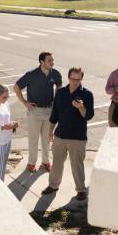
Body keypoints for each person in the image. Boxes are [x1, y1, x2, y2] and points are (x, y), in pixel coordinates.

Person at [42, 67, 94, 201]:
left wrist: (81, 107)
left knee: (77, 165)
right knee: (57, 163)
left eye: (78, 79)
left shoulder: (87, 94)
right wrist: (50, 131)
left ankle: (81, 190)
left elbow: (88, 116)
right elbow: (55, 114)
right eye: (72, 79)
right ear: (68, 78)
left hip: (77, 137)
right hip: (60, 135)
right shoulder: (60, 93)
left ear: (81, 79)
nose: (75, 82)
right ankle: (53, 185)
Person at [14, 51, 62, 172]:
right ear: (42, 62)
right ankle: (31, 163)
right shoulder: (31, 74)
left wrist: (57, 103)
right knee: (33, 139)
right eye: (49, 60)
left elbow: (59, 86)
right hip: (34, 111)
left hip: (49, 111)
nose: (52, 62)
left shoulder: (55, 74)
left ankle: (46, 161)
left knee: (47, 138)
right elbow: (16, 87)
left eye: (52, 60)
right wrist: (25, 102)